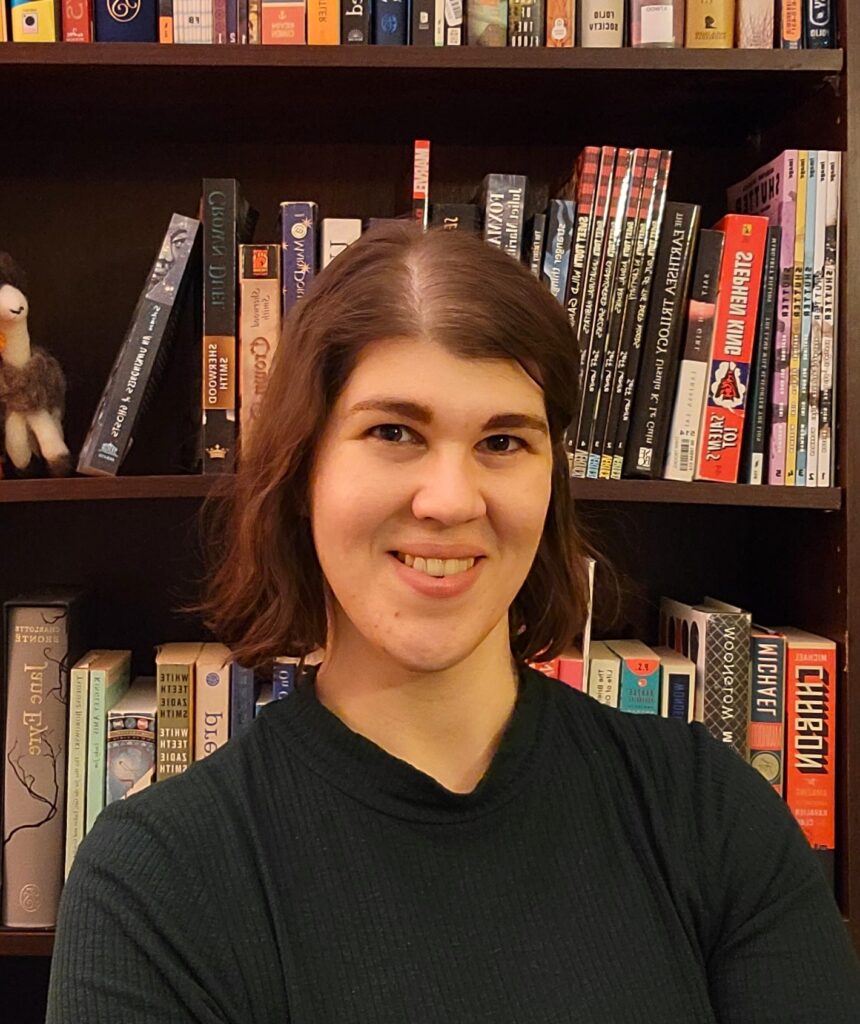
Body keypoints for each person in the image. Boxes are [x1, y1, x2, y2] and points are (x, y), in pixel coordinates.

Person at [47, 222, 860, 1023]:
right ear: (303, 471)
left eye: (503, 441)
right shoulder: (154, 882)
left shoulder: (712, 812)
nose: (450, 500)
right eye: (393, 432)